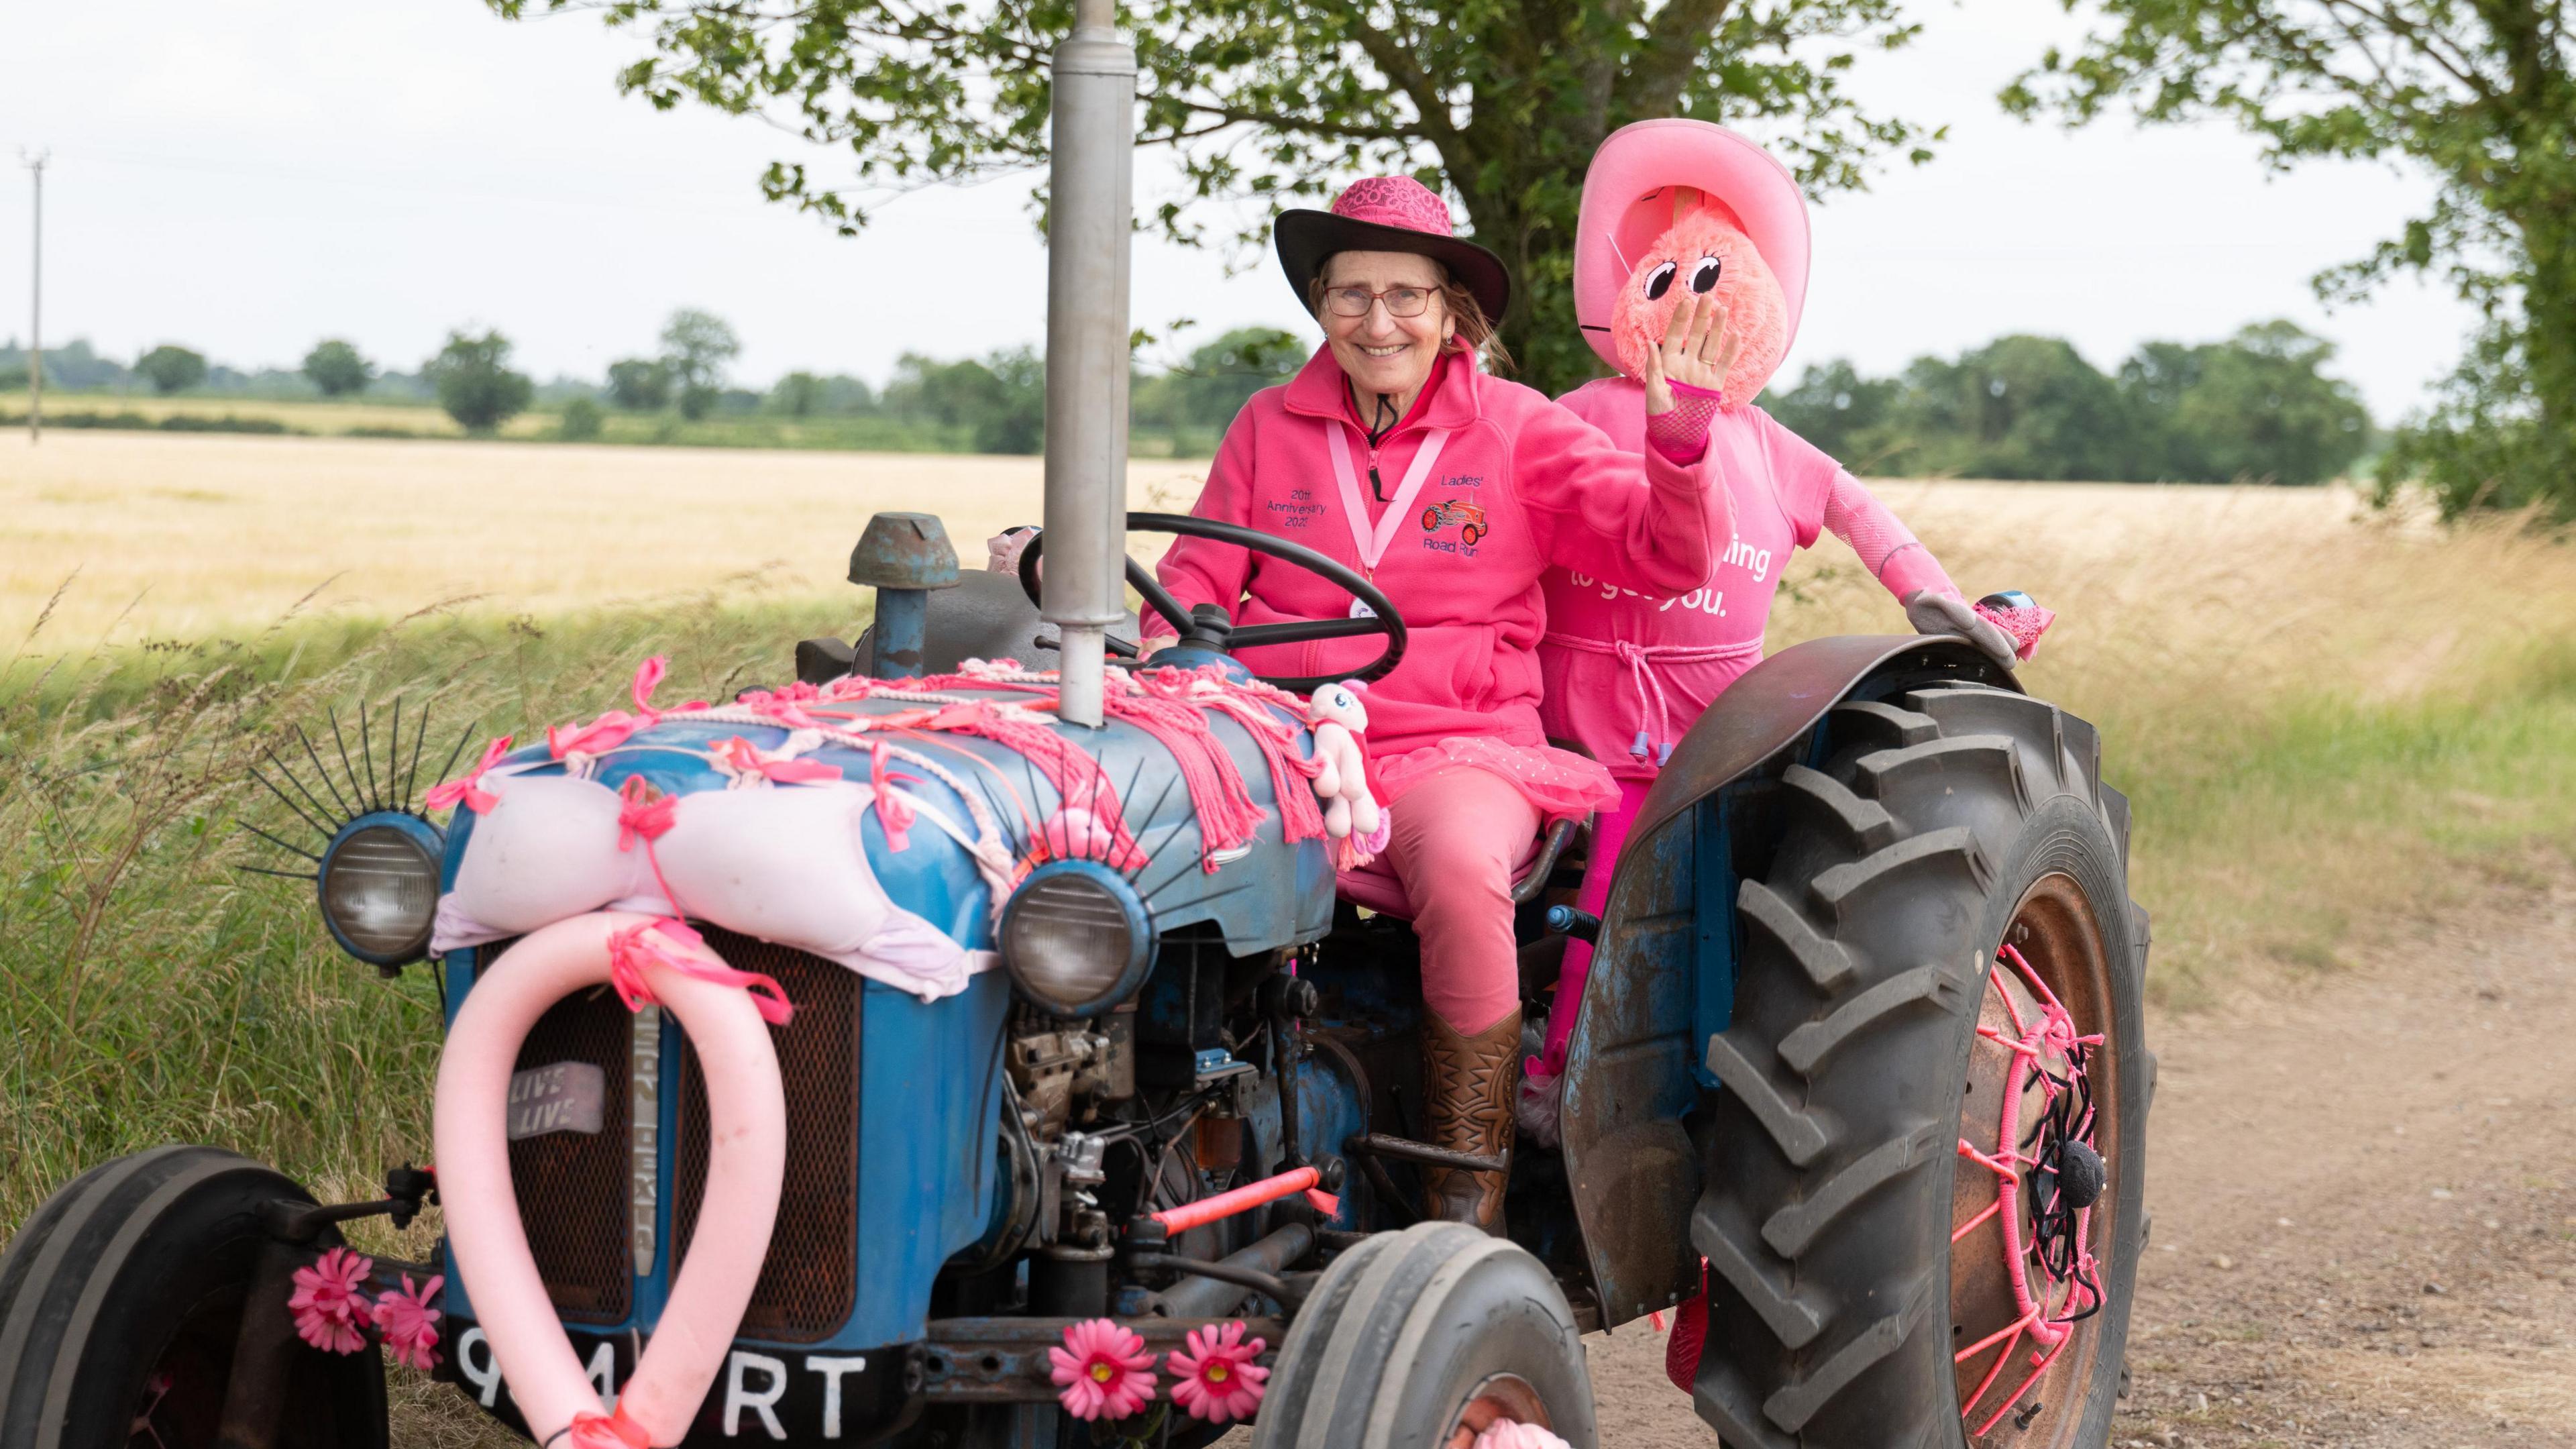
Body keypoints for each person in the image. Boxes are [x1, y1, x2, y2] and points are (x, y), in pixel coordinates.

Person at [1145, 175, 1740, 1229]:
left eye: (1407, 295)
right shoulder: (1265, 425)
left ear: (1450, 311)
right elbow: (1194, 582)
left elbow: (1666, 551)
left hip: (1458, 747)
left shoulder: (1517, 430)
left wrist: (1682, 442)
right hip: (1282, 743)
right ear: (1321, 304)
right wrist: (1170, 659)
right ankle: (1178, 1152)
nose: (1380, 322)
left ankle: (1468, 1192)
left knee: (1463, 870)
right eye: (1352, 295)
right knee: (1134, 842)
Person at [1522, 119, 2027, 1136]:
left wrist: (1938, 604)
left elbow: (1867, 522)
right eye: (1666, 279)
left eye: (1714, 285)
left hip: (1706, 719)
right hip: (1558, 699)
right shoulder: (1571, 412)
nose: (1689, 307)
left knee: (1634, 865)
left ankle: (1562, 1070)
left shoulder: (1778, 450)